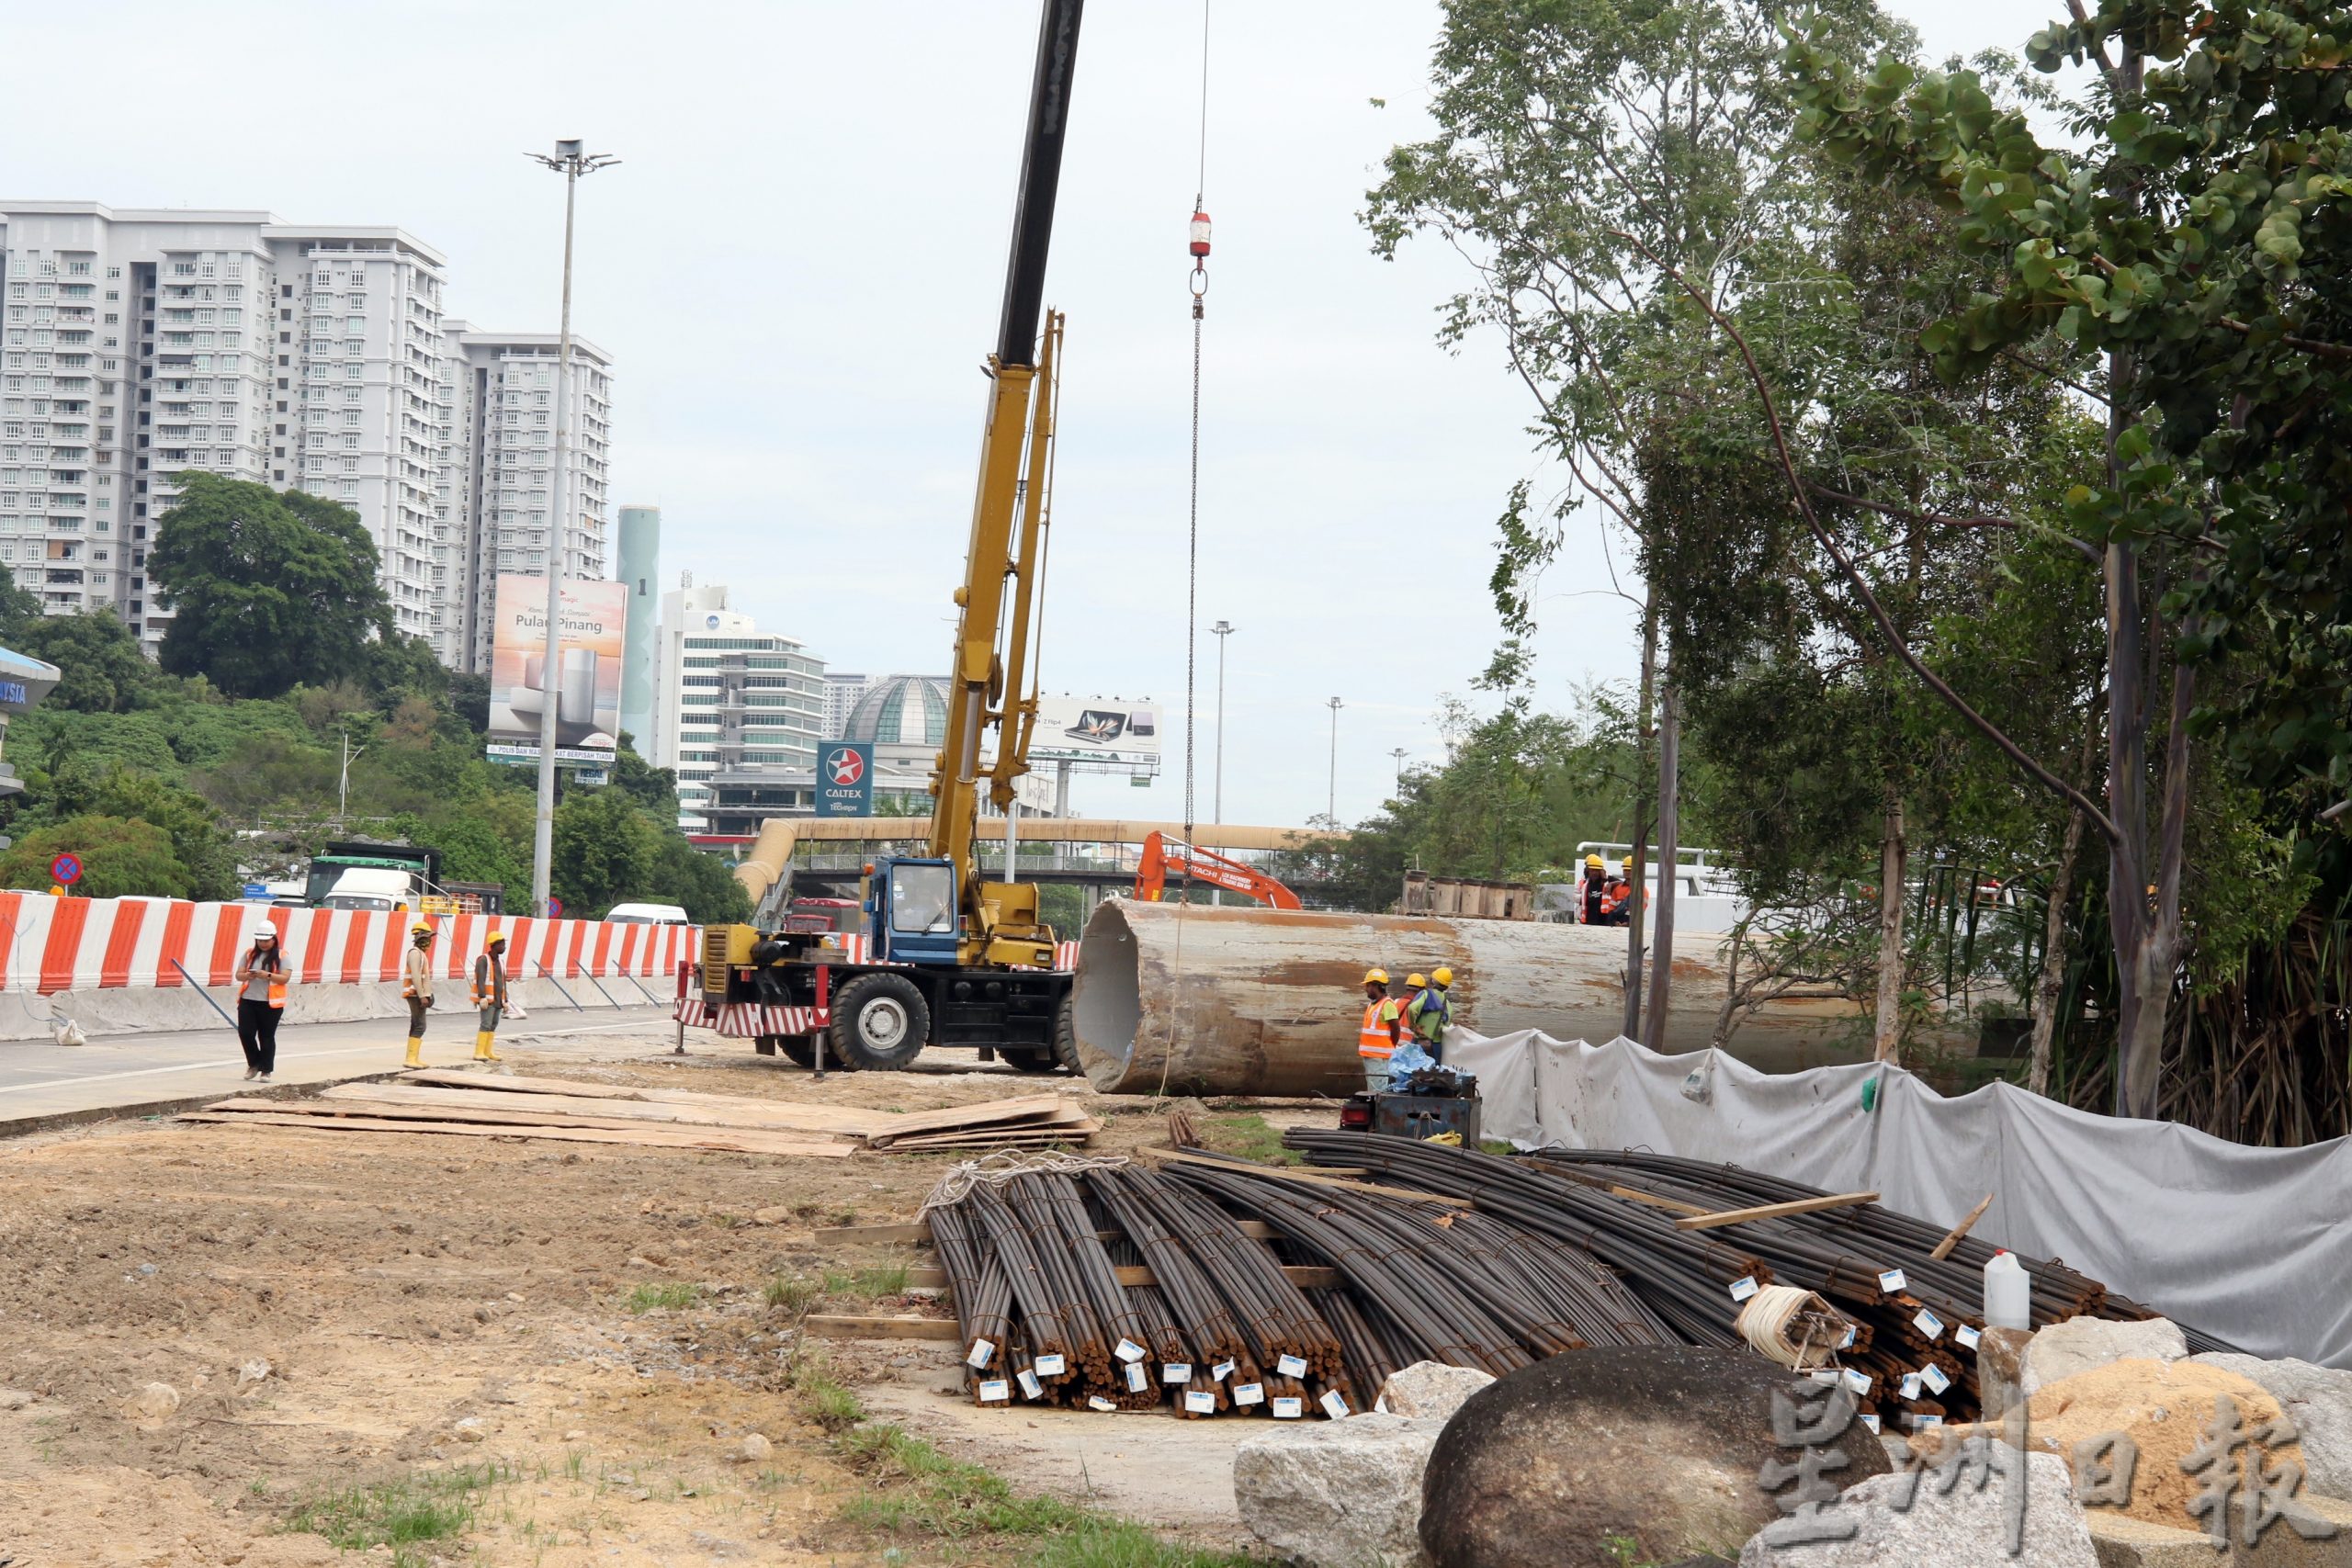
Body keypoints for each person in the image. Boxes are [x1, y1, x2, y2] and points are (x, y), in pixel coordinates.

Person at [233, 922, 291, 1082]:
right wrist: (247, 976)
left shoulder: (282, 956)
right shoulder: (249, 954)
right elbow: (238, 975)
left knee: (266, 1037)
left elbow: (285, 978)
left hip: (270, 1004)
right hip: (248, 1000)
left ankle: (266, 1070)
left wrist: (267, 975)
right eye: (260, 941)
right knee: (245, 1033)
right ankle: (254, 1064)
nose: (263, 944)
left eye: (266, 940)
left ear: (274, 939)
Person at [1356, 966, 1408, 1094]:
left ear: (1375, 986)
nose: (1366, 989)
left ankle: (1377, 1113)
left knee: (1377, 1091)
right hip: (1371, 1056)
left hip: (1380, 1057)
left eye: (1368, 985)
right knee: (1373, 1089)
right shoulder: (1373, 1004)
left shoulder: (1387, 1004)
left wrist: (1390, 1045)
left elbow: (1396, 1029)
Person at [470, 930, 510, 1063]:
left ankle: (488, 1051)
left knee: (493, 1025)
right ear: (494, 944)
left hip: (498, 999)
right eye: (502, 944)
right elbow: (480, 979)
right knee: (486, 1024)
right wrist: (482, 997)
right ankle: (479, 1052)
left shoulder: (501, 962)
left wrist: (506, 1000)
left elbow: (502, 982)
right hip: (487, 1000)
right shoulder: (483, 960)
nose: (504, 947)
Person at [401, 919, 435, 1067]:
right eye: (427, 937)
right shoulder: (415, 953)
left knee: (416, 1024)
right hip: (415, 994)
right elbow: (415, 976)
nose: (429, 941)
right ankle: (410, 1059)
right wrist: (422, 996)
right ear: (419, 936)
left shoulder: (420, 953)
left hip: (418, 994)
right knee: (420, 1025)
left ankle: (413, 1058)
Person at [1405, 965, 1454, 1061]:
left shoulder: (1425, 994)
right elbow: (1446, 1027)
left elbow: (1411, 1008)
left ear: (1433, 981)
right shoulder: (1448, 1005)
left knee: (1413, 1072)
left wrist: (1413, 1025)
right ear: (1447, 986)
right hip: (1436, 1046)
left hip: (1419, 1042)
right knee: (1433, 1073)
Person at [1600, 859, 1635, 927]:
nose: (1627, 872)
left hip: (1633, 927)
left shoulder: (1641, 890)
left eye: (1629, 870)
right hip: (1617, 926)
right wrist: (1614, 922)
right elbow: (1611, 908)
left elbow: (1640, 911)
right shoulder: (1617, 888)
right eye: (1625, 870)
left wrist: (1628, 923)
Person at [1578, 852, 1609, 924]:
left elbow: (1622, 884)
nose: (1594, 873)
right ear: (1588, 870)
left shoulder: (1608, 881)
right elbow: (1582, 904)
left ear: (1601, 871)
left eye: (1597, 870)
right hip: (1589, 921)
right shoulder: (1585, 885)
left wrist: (1608, 882)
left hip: (1604, 922)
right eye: (1592, 870)